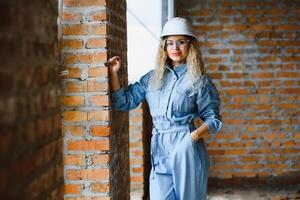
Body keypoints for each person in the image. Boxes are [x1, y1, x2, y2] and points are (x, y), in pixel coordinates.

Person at [108, 17, 222, 200]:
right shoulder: (152, 78)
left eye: (181, 42)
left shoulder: (199, 80)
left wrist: (192, 138)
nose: (175, 48)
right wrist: (114, 73)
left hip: (186, 145)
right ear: (164, 47)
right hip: (159, 146)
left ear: (190, 45)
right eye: (170, 43)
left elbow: (214, 120)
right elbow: (124, 102)